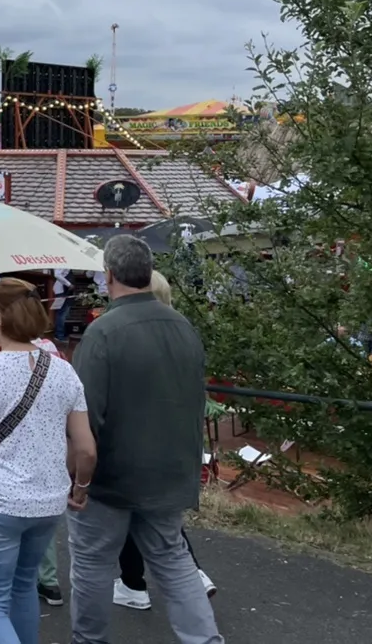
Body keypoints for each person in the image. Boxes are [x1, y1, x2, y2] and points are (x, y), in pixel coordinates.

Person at [70, 240, 222, 644]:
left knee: (92, 563)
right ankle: (205, 639)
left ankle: (89, 640)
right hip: (170, 471)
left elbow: (84, 419)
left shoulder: (102, 333)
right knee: (173, 560)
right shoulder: (183, 327)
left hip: (112, 477)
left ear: (109, 275)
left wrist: (79, 478)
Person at [0, 277, 96, 643]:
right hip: (49, 499)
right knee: (23, 586)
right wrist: (81, 487)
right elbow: (86, 447)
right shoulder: (64, 370)